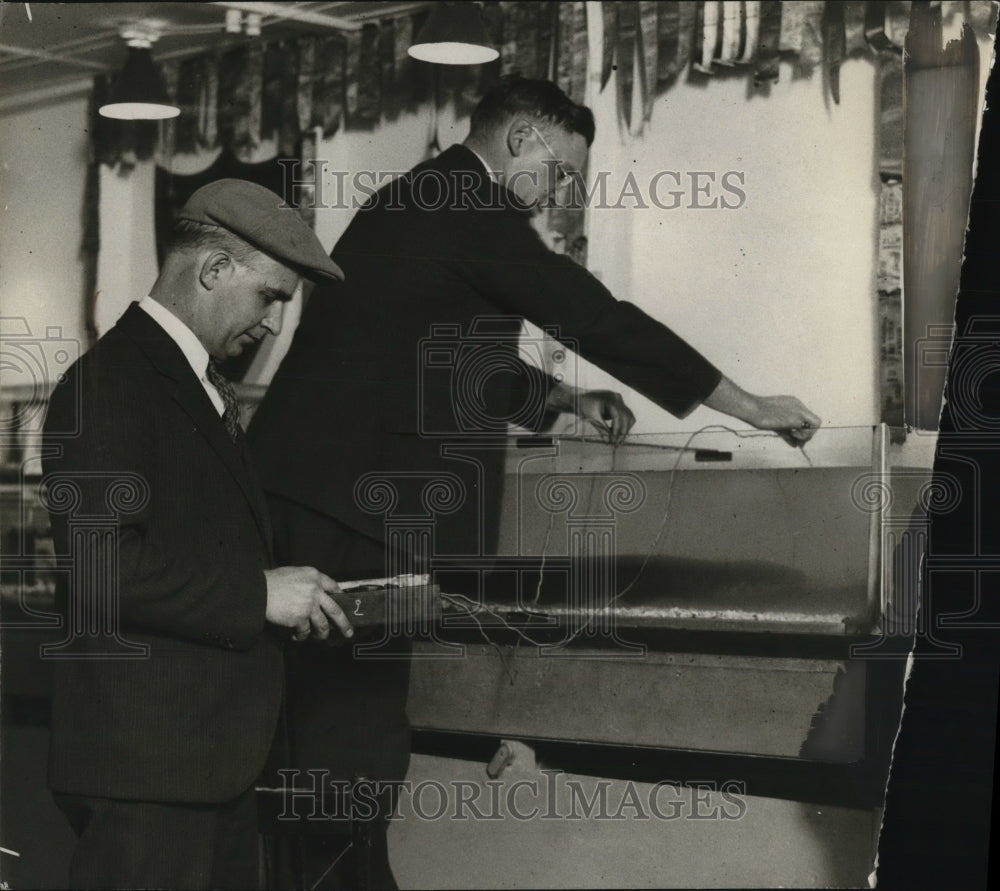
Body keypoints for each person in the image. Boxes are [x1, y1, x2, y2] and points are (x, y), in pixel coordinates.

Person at [247, 76, 821, 889]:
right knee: (350, 747)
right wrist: (750, 405)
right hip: (350, 518)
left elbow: (440, 359)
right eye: (560, 173)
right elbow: (597, 316)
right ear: (521, 138)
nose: (559, 195)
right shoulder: (468, 204)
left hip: (319, 503)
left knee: (324, 747)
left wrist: (562, 398)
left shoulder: (420, 198)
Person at [41, 179, 354, 890]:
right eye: (269, 296)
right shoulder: (110, 383)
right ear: (213, 269)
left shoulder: (191, 383)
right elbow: (99, 566)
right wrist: (260, 595)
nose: (273, 324)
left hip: (205, 768)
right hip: (149, 779)